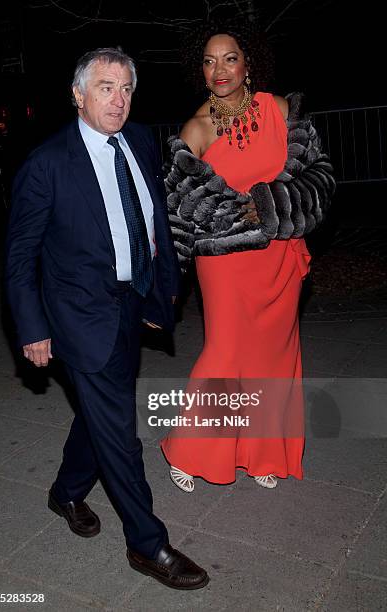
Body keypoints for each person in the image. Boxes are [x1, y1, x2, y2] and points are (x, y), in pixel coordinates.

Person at [5, 47, 209, 590]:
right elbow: (20, 257)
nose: (118, 101)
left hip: (130, 304)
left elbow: (151, 225)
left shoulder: (140, 140)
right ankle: (148, 544)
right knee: (120, 429)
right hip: (77, 316)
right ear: (78, 94)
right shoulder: (47, 163)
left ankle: (68, 491)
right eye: (104, 88)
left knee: (99, 415)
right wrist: (32, 327)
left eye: (125, 89)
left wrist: (158, 294)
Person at [161, 19, 335, 492]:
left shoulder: (279, 109)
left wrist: (270, 207)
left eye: (229, 58)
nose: (219, 69)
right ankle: (190, 449)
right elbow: (180, 213)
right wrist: (165, 285)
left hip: (280, 256)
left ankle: (262, 454)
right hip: (225, 264)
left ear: (248, 63)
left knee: (272, 359)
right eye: (209, 60)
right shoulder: (194, 129)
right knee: (225, 354)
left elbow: (318, 176)